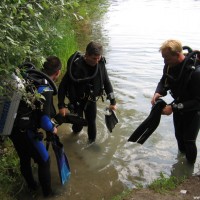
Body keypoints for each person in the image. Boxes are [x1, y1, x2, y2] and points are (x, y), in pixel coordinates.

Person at [9, 56, 62, 198]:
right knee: (45, 160)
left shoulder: (30, 77)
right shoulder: (46, 87)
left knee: (24, 157)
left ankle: (32, 187)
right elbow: (45, 122)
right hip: (25, 130)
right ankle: (48, 194)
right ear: (58, 73)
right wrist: (52, 129)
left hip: (12, 127)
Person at [151, 39, 200, 164]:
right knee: (179, 137)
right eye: (163, 58)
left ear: (178, 55)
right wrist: (158, 92)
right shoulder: (169, 66)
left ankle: (190, 171)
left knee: (189, 141)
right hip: (178, 105)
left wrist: (173, 108)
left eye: (166, 58)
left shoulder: (195, 73)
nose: (164, 62)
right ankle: (180, 166)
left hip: (194, 110)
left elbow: (197, 102)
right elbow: (163, 81)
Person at [58, 41, 117, 143]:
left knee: (92, 122)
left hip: (91, 100)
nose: (97, 61)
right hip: (76, 100)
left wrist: (113, 102)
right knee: (78, 127)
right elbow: (62, 86)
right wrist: (61, 106)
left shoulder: (101, 63)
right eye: (94, 58)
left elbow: (107, 82)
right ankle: (73, 137)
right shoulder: (76, 65)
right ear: (87, 55)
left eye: (99, 58)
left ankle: (92, 143)